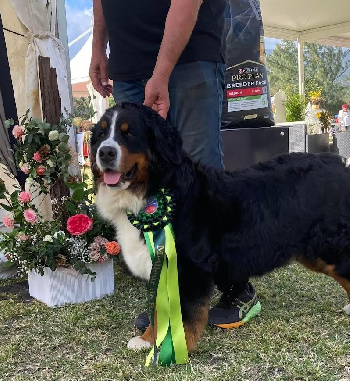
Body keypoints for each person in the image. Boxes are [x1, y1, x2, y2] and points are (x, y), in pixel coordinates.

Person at [89, 0, 260, 330]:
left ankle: (237, 288)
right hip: (128, 62)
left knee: (202, 179)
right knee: (143, 187)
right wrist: (99, 45)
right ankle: (170, 296)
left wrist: (162, 71)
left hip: (189, 55)